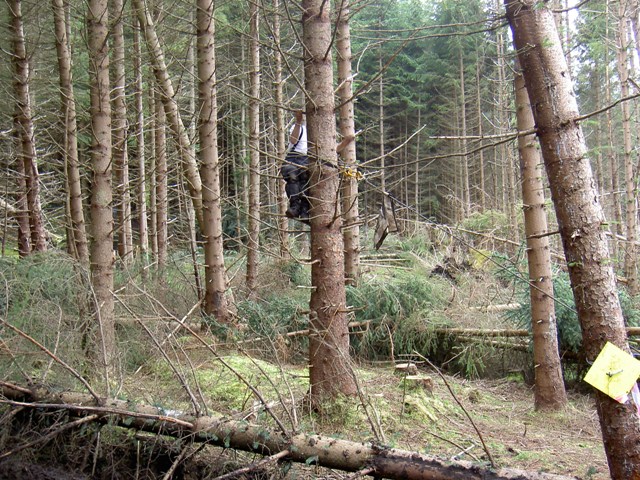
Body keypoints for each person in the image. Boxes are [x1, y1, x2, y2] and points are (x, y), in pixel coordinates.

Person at [280, 110, 355, 224]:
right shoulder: (300, 128)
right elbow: (293, 140)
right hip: (294, 158)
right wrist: (298, 122)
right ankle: (295, 206)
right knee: (292, 175)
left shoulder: (323, 136)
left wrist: (346, 142)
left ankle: (304, 211)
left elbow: (331, 150)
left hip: (308, 161)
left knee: (307, 182)